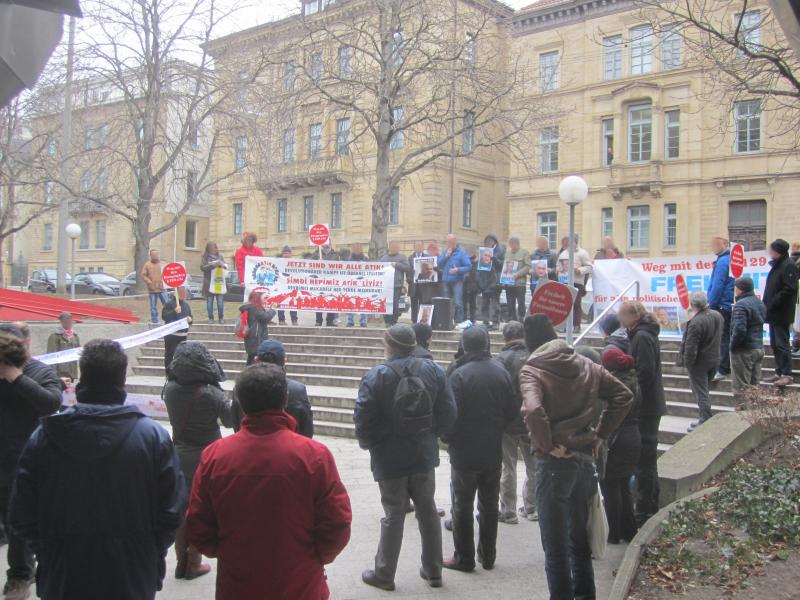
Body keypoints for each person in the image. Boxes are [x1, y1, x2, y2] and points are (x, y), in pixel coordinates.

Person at [8, 339, 185, 600]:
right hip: (132, 573)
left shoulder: (44, 437)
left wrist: (50, 548)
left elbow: (21, 515)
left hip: (64, 573)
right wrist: (146, 552)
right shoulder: (153, 438)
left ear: (81, 380)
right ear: (122, 382)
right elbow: (172, 512)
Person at [185, 363, 352, 600]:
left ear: (241, 403)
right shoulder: (314, 456)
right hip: (301, 582)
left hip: (238, 583)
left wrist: (226, 551)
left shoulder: (215, 456)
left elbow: (197, 523)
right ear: (284, 400)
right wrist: (314, 557)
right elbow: (338, 522)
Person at [519, 314, 632, 600]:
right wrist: (600, 435)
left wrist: (545, 445)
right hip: (584, 459)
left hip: (554, 464)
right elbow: (622, 395)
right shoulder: (587, 364)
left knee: (555, 548)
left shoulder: (532, 369)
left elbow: (532, 410)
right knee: (579, 541)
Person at [355, 324, 457, 591]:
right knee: (427, 510)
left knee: (394, 512)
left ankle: (384, 573)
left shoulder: (376, 375)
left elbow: (363, 417)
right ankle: (434, 570)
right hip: (423, 451)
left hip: (389, 455)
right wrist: (433, 434)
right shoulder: (434, 369)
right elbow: (449, 410)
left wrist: (369, 444)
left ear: (389, 345)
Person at [443, 326, 516, 572]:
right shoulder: (501, 371)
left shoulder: (459, 374)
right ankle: (488, 555)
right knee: (488, 502)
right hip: (492, 447)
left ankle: (464, 558)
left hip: (465, 450)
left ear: (464, 345)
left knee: (462, 503)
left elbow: (450, 414)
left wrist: (448, 437)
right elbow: (512, 409)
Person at [0, 323, 62, 599]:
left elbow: (51, 403)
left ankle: (20, 575)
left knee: (19, 521)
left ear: (26, 343)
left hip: (26, 460)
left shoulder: (39, 371)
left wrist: (16, 377)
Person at [163, 341, 232, 581]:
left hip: (179, 453)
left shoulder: (169, 389)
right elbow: (231, 420)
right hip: (207, 455)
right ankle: (194, 561)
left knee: (183, 508)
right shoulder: (211, 393)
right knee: (202, 509)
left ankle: (182, 562)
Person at [617, 301, 665, 525]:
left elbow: (643, 372)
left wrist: (631, 397)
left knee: (645, 459)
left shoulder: (642, 337)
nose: (620, 320)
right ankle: (648, 505)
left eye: (622, 316)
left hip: (646, 406)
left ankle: (645, 508)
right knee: (647, 459)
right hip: (649, 404)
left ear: (632, 316)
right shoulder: (642, 334)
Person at [495, 321, 538, 525]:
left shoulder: (501, 360)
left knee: (508, 466)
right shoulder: (535, 356)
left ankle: (508, 511)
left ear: (505, 337)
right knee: (534, 466)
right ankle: (532, 507)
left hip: (507, 422)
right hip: (532, 419)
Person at [599, 346, 641, 544]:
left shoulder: (615, 385)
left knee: (610, 485)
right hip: (632, 436)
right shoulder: (633, 380)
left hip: (618, 438)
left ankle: (614, 531)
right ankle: (629, 530)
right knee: (623, 486)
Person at [232, 339, 314, 438]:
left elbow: (236, 424)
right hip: (289, 447)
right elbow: (307, 430)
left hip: (249, 445)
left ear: (256, 360)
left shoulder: (241, 386)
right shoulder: (297, 390)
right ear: (284, 361)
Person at [677, 292, 723, 432]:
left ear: (692, 305)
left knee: (700, 391)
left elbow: (691, 346)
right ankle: (704, 417)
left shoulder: (696, 322)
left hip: (700, 362)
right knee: (704, 390)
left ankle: (705, 418)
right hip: (714, 358)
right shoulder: (717, 315)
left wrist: (688, 363)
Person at [762, 238, 799, 387]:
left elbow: (790, 289)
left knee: (782, 343)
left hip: (781, 312)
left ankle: (786, 373)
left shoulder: (788, 265)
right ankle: (779, 371)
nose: (769, 252)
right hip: (773, 312)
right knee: (775, 343)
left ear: (777, 251)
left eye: (771, 249)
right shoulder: (778, 264)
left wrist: (773, 301)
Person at [730, 277, 767, 398]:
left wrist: (733, 346)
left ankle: (742, 413)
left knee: (741, 387)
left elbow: (739, 329)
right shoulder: (759, 302)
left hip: (744, 350)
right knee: (755, 386)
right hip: (758, 347)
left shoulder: (741, 305)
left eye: (736, 288)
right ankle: (754, 414)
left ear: (740, 289)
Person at [707, 237, 735, 382]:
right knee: (725, 336)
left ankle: (723, 368)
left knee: (723, 337)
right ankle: (724, 366)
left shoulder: (723, 261)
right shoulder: (726, 260)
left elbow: (718, 284)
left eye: (717, 244)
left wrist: (711, 304)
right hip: (726, 303)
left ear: (725, 245)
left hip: (722, 305)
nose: (714, 247)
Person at [557, 234, 593, 334]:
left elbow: (589, 267)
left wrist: (580, 270)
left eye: (572, 241)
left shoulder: (582, 253)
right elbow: (558, 265)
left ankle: (576, 325)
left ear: (576, 241)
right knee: (565, 304)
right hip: (564, 281)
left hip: (577, 282)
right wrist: (558, 270)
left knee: (576, 304)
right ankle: (564, 325)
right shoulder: (563, 253)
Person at [438, 234, 472, 324]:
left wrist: (458, 270)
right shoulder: (445, 252)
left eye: (451, 242)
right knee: (446, 302)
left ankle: (458, 321)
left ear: (455, 242)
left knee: (458, 302)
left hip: (457, 280)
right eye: (448, 242)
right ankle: (447, 321)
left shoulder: (461, 252)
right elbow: (439, 264)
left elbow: (468, 266)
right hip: (446, 280)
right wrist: (446, 257)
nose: (449, 244)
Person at [239, 291, 276, 365]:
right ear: (258, 298)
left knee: (252, 360)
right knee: (253, 360)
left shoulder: (253, 307)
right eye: (265, 298)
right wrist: (273, 309)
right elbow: (266, 317)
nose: (266, 300)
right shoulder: (254, 308)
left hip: (254, 337)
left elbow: (260, 319)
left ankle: (248, 375)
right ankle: (249, 375)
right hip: (256, 338)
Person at [380, 241, 412, 327]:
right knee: (386, 304)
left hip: (396, 285)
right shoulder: (383, 259)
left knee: (394, 304)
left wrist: (397, 265)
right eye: (393, 247)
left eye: (396, 247)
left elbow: (408, 268)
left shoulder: (402, 257)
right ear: (389, 247)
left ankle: (393, 321)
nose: (395, 248)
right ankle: (387, 321)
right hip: (386, 286)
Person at [477, 234, 505, 330]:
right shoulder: (483, 252)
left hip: (495, 281)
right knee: (484, 304)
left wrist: (493, 258)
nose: (487, 243)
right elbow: (480, 268)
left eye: (489, 241)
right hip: (485, 282)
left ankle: (495, 322)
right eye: (486, 241)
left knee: (495, 304)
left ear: (494, 242)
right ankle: (485, 322)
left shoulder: (501, 251)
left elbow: (502, 265)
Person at [162, 286, 193, 370]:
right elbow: (165, 317)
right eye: (182, 293)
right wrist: (174, 311)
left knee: (182, 356)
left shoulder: (186, 305)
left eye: (184, 292)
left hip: (183, 335)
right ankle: (168, 373)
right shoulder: (169, 304)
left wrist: (190, 319)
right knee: (170, 355)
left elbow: (190, 317)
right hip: (171, 335)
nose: (184, 294)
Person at [46, 312, 80, 383]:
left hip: (72, 372)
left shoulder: (75, 336)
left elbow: (78, 353)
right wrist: (53, 375)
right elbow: (51, 356)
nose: (69, 322)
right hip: (60, 373)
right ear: (61, 322)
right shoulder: (55, 336)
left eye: (70, 320)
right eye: (67, 320)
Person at [503, 236, 531, 322]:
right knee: (510, 303)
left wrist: (518, 274)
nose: (511, 245)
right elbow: (505, 267)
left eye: (513, 243)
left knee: (521, 302)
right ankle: (512, 319)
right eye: (510, 244)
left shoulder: (524, 253)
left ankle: (521, 319)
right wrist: (504, 279)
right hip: (509, 283)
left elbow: (528, 266)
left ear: (517, 243)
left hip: (520, 283)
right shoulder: (507, 253)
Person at [200, 241, 228, 324]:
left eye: (214, 248)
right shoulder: (205, 257)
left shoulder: (220, 257)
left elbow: (226, 267)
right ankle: (211, 318)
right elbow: (202, 268)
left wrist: (222, 265)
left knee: (220, 302)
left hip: (219, 283)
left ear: (216, 248)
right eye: (211, 248)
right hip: (209, 283)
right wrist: (213, 265)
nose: (213, 249)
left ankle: (221, 318)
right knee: (209, 301)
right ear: (208, 249)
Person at [141, 249, 168, 324]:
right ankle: (154, 320)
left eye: (157, 254)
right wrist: (149, 282)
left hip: (162, 288)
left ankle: (168, 318)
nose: (155, 256)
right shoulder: (147, 265)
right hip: (152, 289)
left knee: (167, 305)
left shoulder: (163, 264)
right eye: (154, 255)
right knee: (153, 306)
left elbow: (168, 273)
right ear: (150, 255)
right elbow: (143, 275)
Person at [316, 243, 340, 327]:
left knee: (331, 301)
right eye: (324, 243)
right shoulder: (316, 254)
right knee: (319, 301)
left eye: (328, 243)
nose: (326, 245)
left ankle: (330, 320)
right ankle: (318, 320)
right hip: (319, 282)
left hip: (331, 282)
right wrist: (316, 262)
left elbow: (339, 267)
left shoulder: (335, 255)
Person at [348, 242, 370, 327]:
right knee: (351, 302)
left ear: (361, 249)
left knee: (363, 302)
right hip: (351, 284)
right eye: (355, 247)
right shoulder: (348, 260)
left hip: (363, 284)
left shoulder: (366, 259)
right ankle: (350, 321)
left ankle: (363, 321)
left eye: (358, 247)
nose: (356, 249)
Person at [275, 246, 299, 325]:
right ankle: (281, 320)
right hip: (281, 287)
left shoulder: (295, 264)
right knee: (280, 303)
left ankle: (294, 320)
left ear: (291, 254)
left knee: (292, 303)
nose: (286, 255)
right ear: (282, 254)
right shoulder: (278, 263)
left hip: (291, 286)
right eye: (284, 253)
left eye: (287, 253)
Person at [408, 241, 428, 324]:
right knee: (414, 304)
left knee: (422, 303)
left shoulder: (427, 257)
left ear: (423, 247)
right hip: (414, 285)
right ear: (414, 247)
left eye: (420, 246)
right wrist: (409, 280)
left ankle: (421, 321)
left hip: (424, 285)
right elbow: (408, 271)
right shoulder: (410, 258)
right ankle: (414, 321)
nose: (419, 248)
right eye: (417, 246)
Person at [464, 245, 480, 323]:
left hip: (474, 286)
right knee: (464, 303)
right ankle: (464, 318)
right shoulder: (464, 260)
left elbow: (479, 274)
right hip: (465, 284)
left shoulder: (477, 262)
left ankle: (473, 319)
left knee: (473, 304)